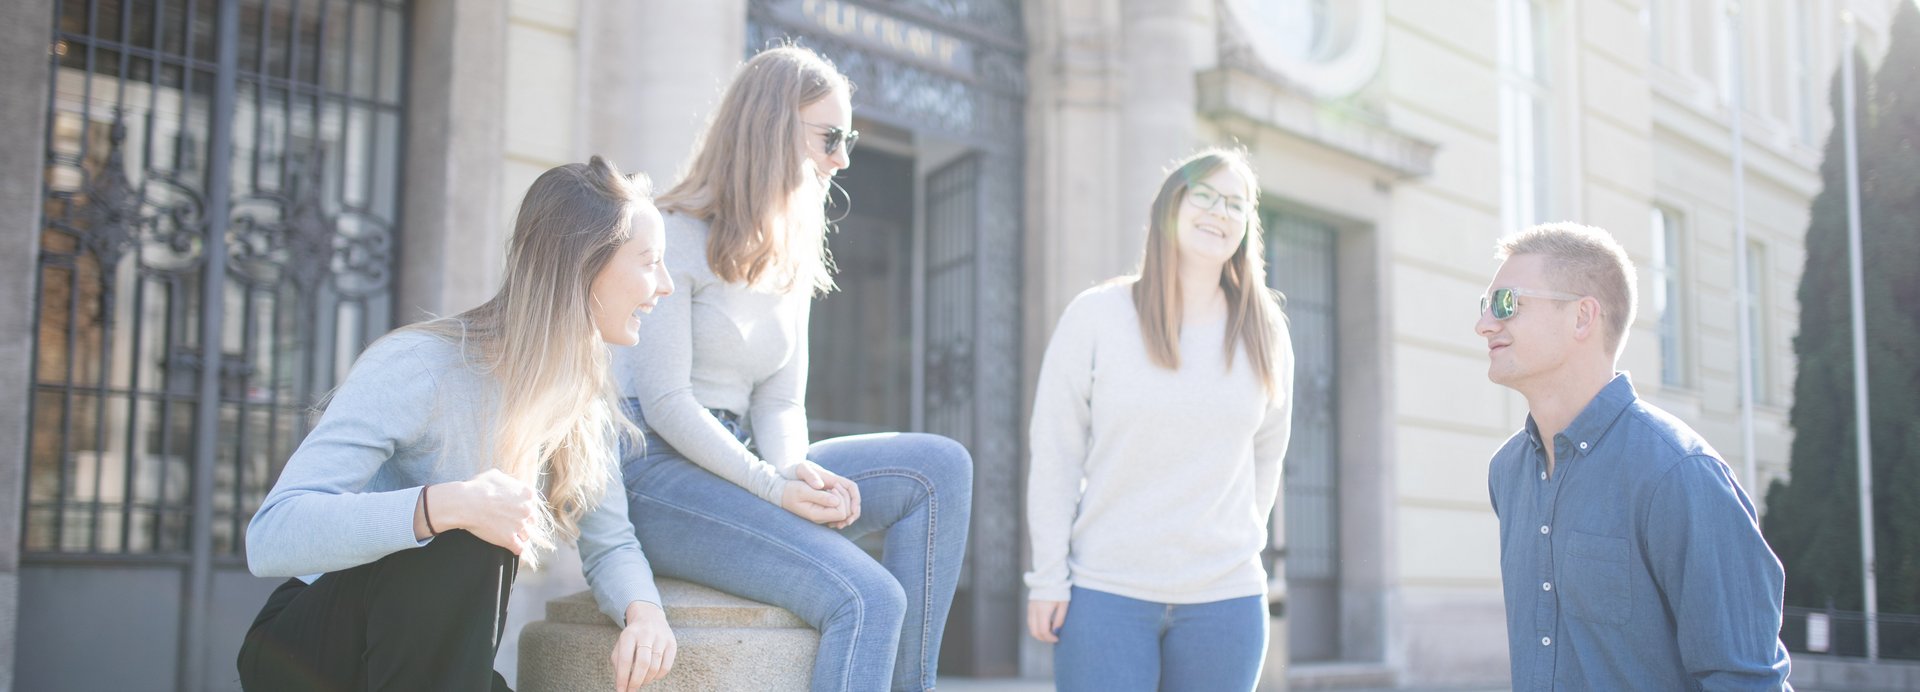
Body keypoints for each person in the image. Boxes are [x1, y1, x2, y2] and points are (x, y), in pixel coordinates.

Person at [239, 156, 677, 691]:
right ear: (585, 266)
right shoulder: (421, 365)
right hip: (313, 653)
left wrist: (644, 614)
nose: (667, 285)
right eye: (650, 261)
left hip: (427, 665)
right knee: (471, 527)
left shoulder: (578, 396)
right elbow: (271, 536)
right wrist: (444, 506)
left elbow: (609, 541)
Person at [611, 45, 972, 692]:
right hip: (659, 472)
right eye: (830, 137)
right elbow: (665, 401)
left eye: (850, 137)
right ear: (771, 127)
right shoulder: (672, 233)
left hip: (748, 458)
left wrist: (794, 471)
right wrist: (774, 488)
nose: (844, 157)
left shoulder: (790, 253)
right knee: (869, 597)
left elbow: (779, 403)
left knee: (940, 467)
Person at [1024, 148, 1295, 692]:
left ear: (1247, 227)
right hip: (1106, 595)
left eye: (1236, 205)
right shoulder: (1097, 316)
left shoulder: (1265, 331)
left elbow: (1268, 454)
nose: (1220, 212)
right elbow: (1056, 454)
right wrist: (1047, 578)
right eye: (1205, 196)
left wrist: (1237, 539)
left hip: (1226, 601)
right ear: (1170, 207)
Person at [1477, 222, 1792, 690]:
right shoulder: (1508, 472)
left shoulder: (1680, 473)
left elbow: (1746, 682)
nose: (1484, 324)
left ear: (1583, 317)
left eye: (1506, 303)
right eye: (1485, 306)